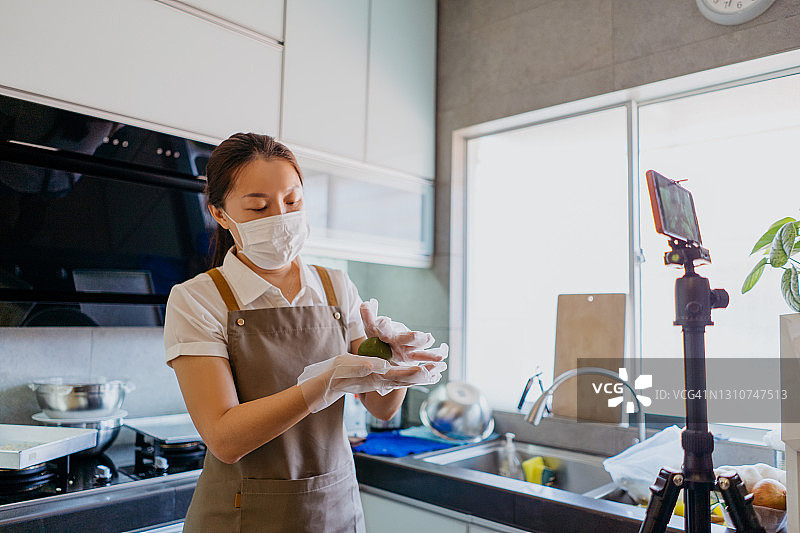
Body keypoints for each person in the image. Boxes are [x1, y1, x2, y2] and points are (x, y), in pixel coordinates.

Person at [163, 133, 447, 533]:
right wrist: (321, 385)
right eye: (258, 207)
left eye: (292, 201)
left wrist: (391, 359)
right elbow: (224, 439)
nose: (280, 217)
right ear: (221, 215)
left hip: (335, 508)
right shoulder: (198, 299)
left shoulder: (336, 286)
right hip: (243, 517)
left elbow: (380, 408)